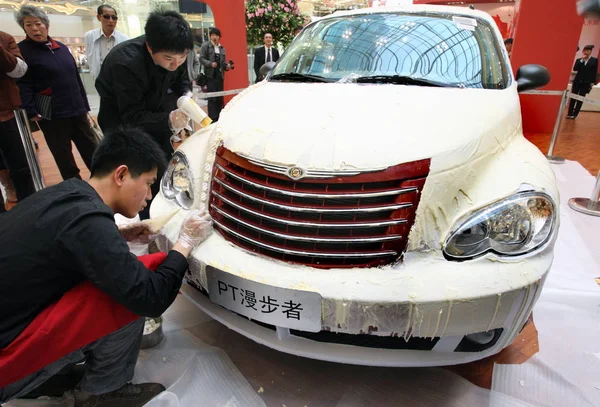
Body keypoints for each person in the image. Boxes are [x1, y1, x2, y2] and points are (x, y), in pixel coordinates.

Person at [0, 127, 213, 406]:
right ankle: (101, 393)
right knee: (126, 296)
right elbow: (150, 298)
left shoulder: (67, 195)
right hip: (7, 358)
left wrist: (121, 235)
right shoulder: (87, 223)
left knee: (117, 277)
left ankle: (59, 373)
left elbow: (66, 246)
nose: (149, 196)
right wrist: (185, 243)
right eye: (148, 183)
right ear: (121, 175)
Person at [96, 9, 193, 220]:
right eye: (169, 59)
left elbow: (181, 80)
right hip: (122, 123)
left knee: (164, 165)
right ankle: (147, 223)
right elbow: (132, 116)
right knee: (138, 177)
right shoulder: (124, 62)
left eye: (182, 57)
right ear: (150, 47)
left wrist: (187, 96)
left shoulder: (175, 53)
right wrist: (169, 119)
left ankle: (163, 215)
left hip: (154, 114)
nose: (175, 64)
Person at [15, 5, 98, 181]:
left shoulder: (60, 47)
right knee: (63, 156)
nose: (34, 28)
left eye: (37, 23)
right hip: (51, 113)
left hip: (76, 110)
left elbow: (75, 77)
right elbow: (23, 82)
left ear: (46, 25)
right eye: (28, 24)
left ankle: (101, 180)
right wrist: (30, 109)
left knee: (92, 148)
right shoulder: (22, 50)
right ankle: (75, 187)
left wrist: (84, 103)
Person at [0, 30, 35, 212]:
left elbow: (19, 71)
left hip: (8, 114)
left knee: (21, 166)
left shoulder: (5, 39)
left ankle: (29, 210)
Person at [84, 4, 128, 80]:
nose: (111, 21)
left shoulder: (124, 39)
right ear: (99, 17)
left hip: (118, 80)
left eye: (114, 18)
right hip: (99, 80)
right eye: (106, 17)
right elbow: (90, 58)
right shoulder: (90, 36)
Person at [199, 27, 233, 122]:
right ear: (210, 36)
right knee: (212, 98)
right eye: (212, 35)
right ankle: (212, 119)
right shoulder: (205, 46)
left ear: (219, 37)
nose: (214, 37)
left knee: (219, 97)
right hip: (210, 76)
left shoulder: (222, 48)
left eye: (216, 35)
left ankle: (219, 117)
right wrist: (210, 64)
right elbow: (201, 59)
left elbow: (223, 62)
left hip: (220, 76)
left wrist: (227, 66)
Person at [567, 44, 598, 119]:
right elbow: (575, 69)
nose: (586, 52)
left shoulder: (594, 60)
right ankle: (569, 113)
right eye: (585, 50)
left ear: (590, 51)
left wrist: (592, 83)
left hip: (586, 83)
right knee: (573, 97)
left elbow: (594, 72)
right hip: (577, 81)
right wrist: (582, 60)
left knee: (580, 98)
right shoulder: (579, 60)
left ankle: (575, 114)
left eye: (588, 50)